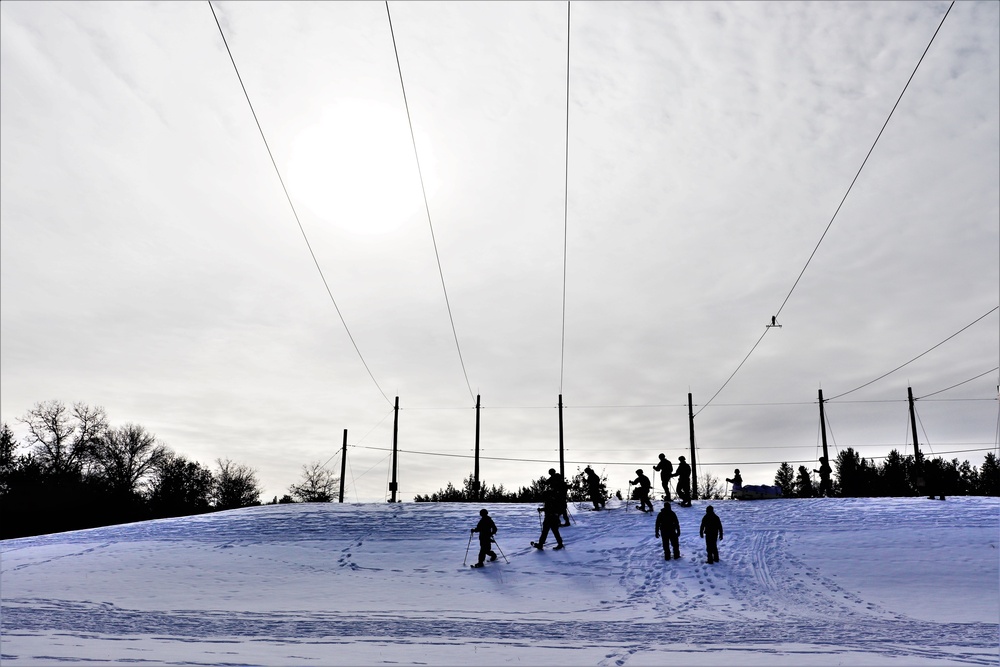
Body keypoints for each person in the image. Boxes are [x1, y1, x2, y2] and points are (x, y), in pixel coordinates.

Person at [534, 486, 565, 550]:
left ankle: (541, 544)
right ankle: (559, 544)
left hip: (551, 518)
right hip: (552, 518)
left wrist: (541, 509)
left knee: (547, 532)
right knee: (552, 532)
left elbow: (549, 509)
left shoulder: (550, 501)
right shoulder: (553, 500)